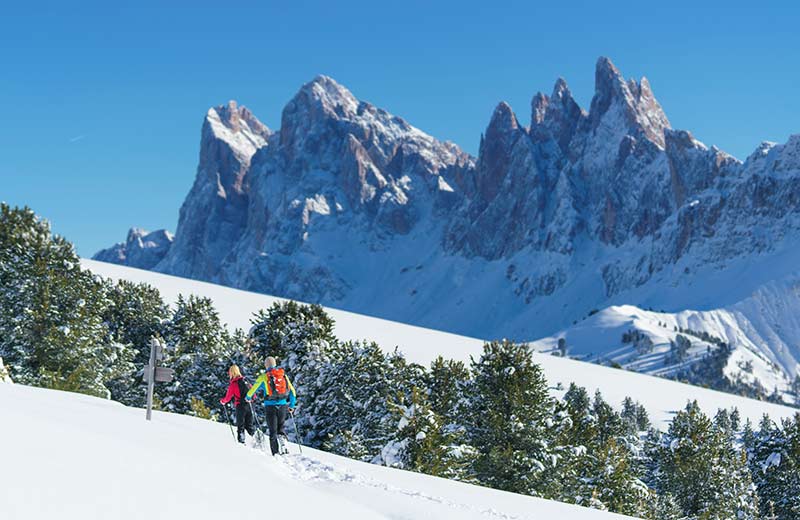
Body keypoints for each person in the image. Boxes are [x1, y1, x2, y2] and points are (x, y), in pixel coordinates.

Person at [245, 356, 297, 455]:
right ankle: (283, 440)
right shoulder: (283, 375)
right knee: (280, 428)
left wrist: (248, 397)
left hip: (270, 406)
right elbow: (292, 391)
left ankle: (275, 454)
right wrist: (292, 405)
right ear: (275, 364)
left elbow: (253, 389)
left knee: (273, 431)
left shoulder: (264, 377)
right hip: (283, 405)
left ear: (266, 365)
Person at [219, 365, 256, 444]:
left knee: (241, 426)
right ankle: (255, 440)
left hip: (240, 406)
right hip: (250, 405)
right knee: (249, 426)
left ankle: (241, 442)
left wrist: (223, 401)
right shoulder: (246, 381)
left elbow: (228, 397)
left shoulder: (233, 384)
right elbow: (254, 394)